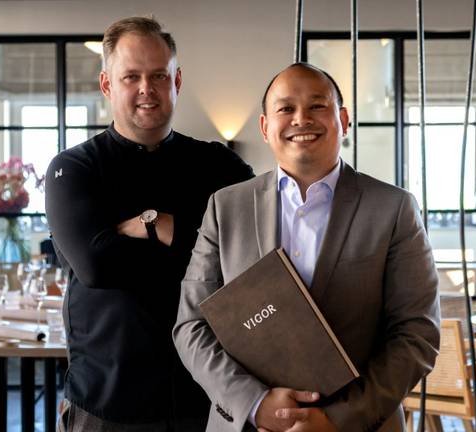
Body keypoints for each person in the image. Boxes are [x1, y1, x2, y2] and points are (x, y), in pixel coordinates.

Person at [173, 63, 440, 432]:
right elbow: (190, 326)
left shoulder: (394, 209)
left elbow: (417, 333)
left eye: (317, 106)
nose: (302, 119)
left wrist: (337, 419)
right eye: (286, 109)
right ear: (266, 127)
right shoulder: (225, 207)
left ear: (343, 120)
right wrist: (254, 404)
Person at [45, 16, 254, 431]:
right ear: (107, 85)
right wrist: (198, 248)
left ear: (177, 82)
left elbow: (249, 254)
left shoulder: (219, 165)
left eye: (159, 75)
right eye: (131, 77)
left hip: (209, 396)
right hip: (108, 401)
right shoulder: (74, 169)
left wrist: (150, 224)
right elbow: (96, 266)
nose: (147, 89)